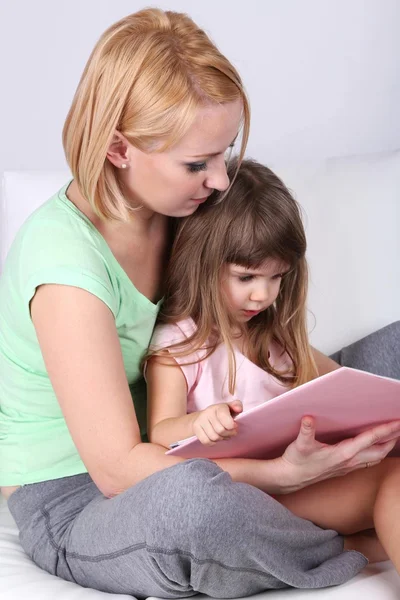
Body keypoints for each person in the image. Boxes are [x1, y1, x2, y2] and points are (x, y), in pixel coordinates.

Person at [0, 7, 399, 597]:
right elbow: (117, 470)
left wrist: (327, 394)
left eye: (224, 151)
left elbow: (247, 333)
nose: (219, 180)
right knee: (193, 508)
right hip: (86, 494)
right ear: (118, 149)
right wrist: (278, 475)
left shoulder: (184, 209)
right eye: (196, 164)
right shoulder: (66, 271)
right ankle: (343, 543)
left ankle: (318, 521)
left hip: (211, 439)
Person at [146, 157, 400, 573]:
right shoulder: (180, 344)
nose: (262, 295)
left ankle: (341, 545)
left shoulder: (277, 339)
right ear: (202, 264)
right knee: (395, 482)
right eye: (246, 278)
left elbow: (345, 385)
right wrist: (198, 424)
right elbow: (159, 433)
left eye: (276, 277)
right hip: (254, 491)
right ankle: (332, 544)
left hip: (305, 480)